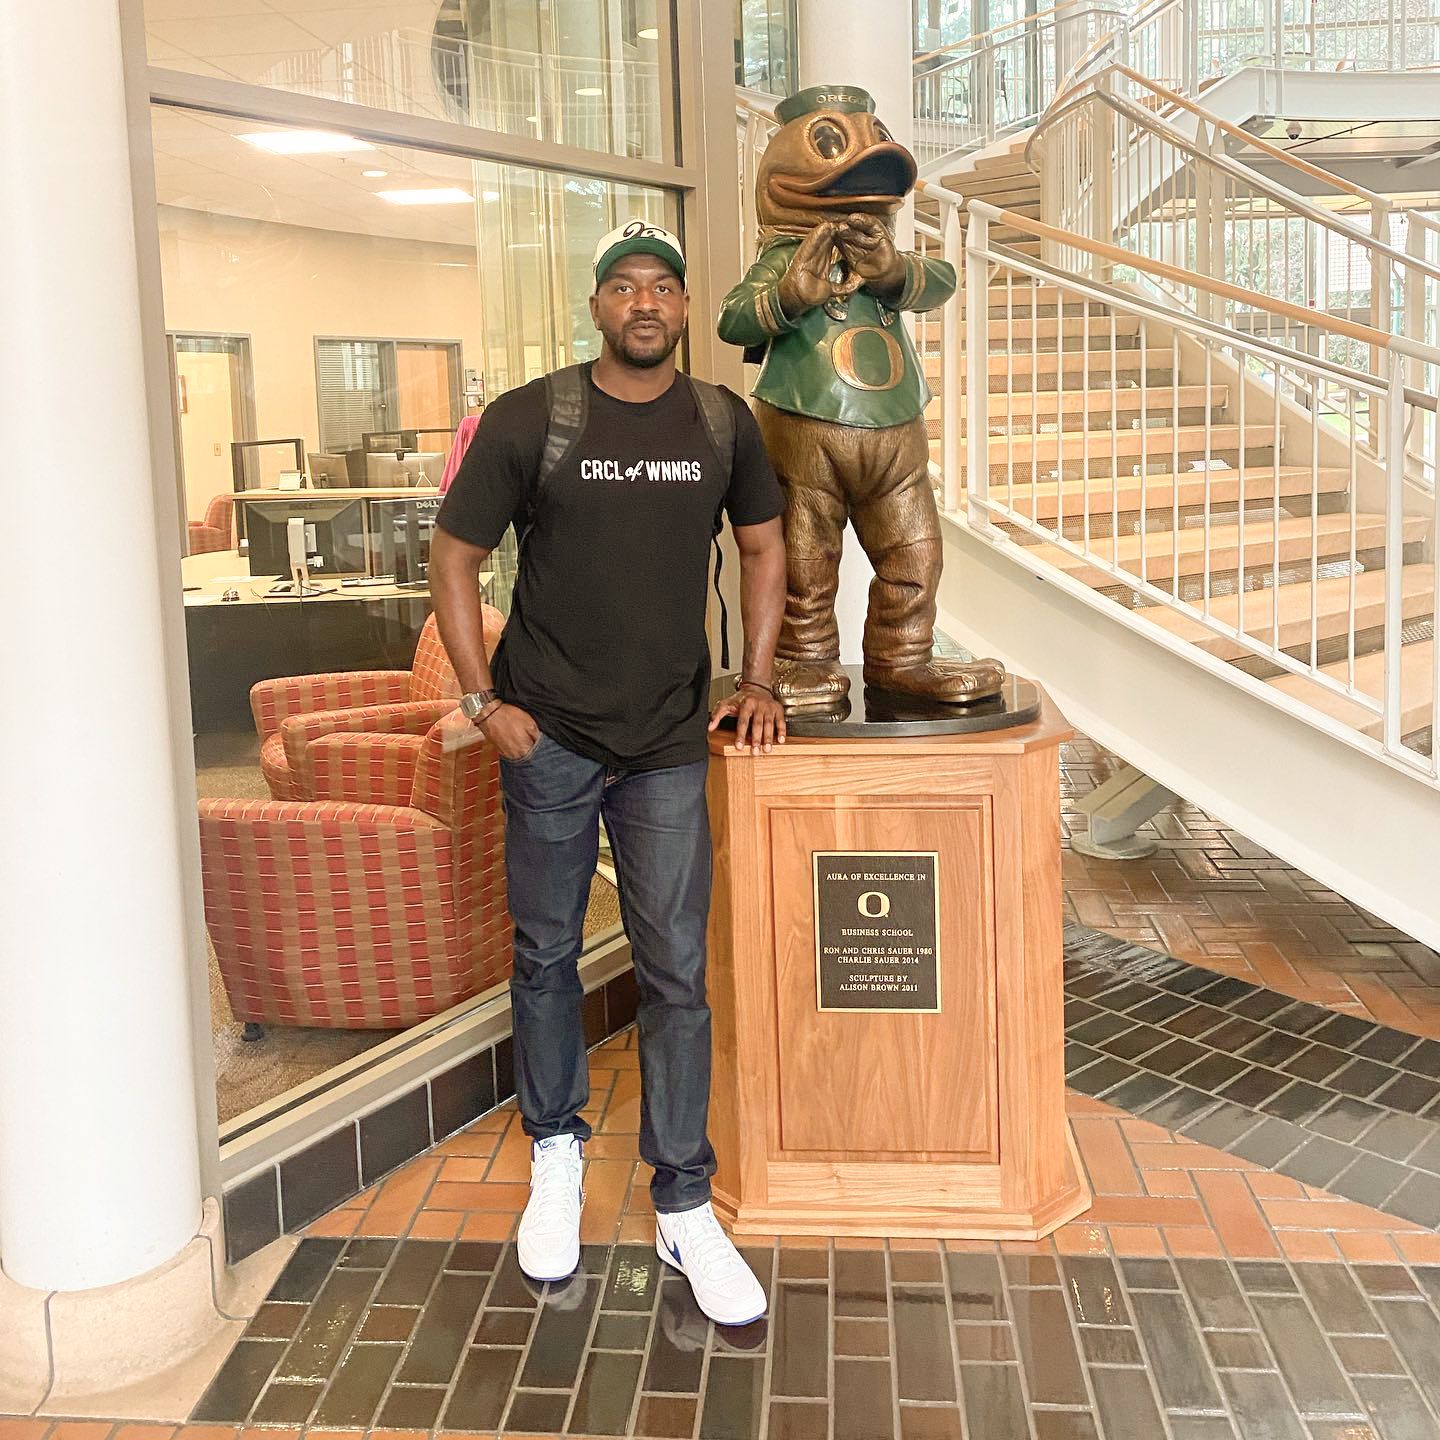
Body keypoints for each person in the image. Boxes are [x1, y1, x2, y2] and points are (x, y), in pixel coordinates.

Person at [429, 220, 788, 1327]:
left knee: (677, 968)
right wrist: (485, 701)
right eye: (624, 286)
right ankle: (556, 1157)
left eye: (664, 288)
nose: (645, 302)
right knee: (544, 954)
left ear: (685, 310)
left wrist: (758, 676)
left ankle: (684, 1200)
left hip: (670, 742)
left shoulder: (723, 423)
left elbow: (766, 546)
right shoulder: (532, 418)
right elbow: (454, 554)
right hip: (551, 737)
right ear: (596, 307)